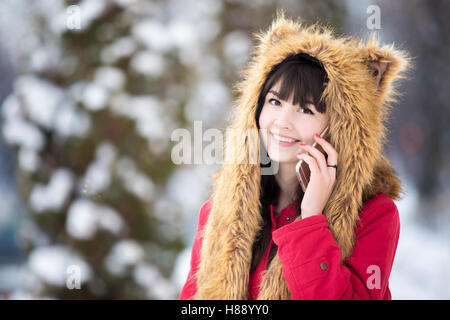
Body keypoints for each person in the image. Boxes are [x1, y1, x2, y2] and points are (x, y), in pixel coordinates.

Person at [179, 10, 411, 300]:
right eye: (274, 101)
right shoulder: (218, 211)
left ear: (341, 127)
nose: (282, 121)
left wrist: (311, 221)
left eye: (306, 109)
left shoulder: (374, 215)